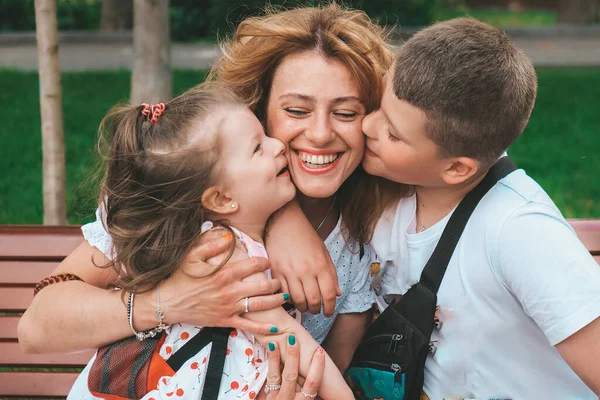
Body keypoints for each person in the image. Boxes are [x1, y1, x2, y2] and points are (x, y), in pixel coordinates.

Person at [18, 3, 401, 375]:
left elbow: (329, 373)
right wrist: (170, 302)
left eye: (346, 112)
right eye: (296, 111)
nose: (320, 134)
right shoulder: (186, 196)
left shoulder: (364, 234)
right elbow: (36, 327)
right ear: (258, 109)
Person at [358, 18, 600, 399]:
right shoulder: (392, 192)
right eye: (378, 106)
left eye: (392, 133)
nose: (367, 126)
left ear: (457, 168)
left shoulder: (519, 231)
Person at [67, 83, 353, 399]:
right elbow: (286, 333)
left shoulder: (216, 241)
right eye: (258, 147)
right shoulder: (222, 253)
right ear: (221, 198)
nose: (277, 146)